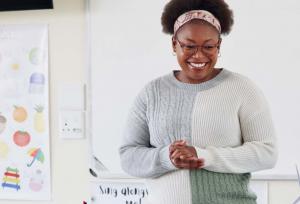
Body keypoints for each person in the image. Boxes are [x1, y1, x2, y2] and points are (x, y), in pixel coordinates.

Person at [119, 0, 278, 203]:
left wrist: (203, 156)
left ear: (219, 45)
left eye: (208, 46)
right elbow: (128, 156)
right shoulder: (152, 93)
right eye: (189, 46)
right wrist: (166, 158)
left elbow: (267, 153)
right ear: (174, 44)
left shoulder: (242, 89)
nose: (199, 55)